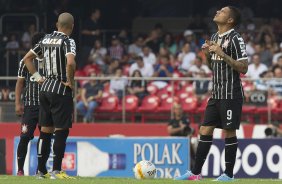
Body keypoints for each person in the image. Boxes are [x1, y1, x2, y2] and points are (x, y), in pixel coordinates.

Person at [175, 6, 248, 181]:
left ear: (230, 20)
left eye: (222, 11)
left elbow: (244, 68)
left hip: (231, 94)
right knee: (205, 129)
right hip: (216, 94)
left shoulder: (236, 39)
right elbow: (212, 66)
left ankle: (228, 175)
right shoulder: (214, 37)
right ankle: (195, 173)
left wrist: (222, 53)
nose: (217, 12)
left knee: (229, 132)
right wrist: (207, 55)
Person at [22, 12, 76, 179]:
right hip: (60, 89)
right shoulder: (68, 41)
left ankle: (40, 171)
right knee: (61, 131)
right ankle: (56, 171)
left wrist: (38, 78)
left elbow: (27, 59)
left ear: (57, 24)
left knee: (45, 132)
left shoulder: (44, 39)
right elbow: (70, 62)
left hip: (44, 89)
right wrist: (70, 81)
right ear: (71, 26)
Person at [15, 32, 45, 176]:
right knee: (25, 137)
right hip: (30, 106)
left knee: (45, 137)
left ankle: (41, 169)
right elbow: (20, 83)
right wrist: (17, 104)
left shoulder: (50, 61)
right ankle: (20, 170)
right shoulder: (25, 62)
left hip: (46, 106)